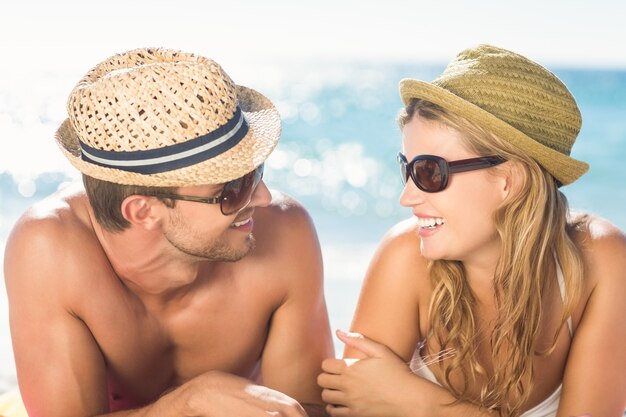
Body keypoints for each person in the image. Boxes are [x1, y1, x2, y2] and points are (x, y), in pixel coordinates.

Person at [4, 47, 333, 416]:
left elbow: (305, 410)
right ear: (143, 210)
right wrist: (187, 404)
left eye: (256, 171)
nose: (263, 196)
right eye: (232, 189)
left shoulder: (285, 232)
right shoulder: (51, 251)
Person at [318, 45, 626, 416]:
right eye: (407, 168)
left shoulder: (600, 260)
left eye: (430, 173)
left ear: (510, 181)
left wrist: (426, 405)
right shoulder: (405, 257)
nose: (406, 197)